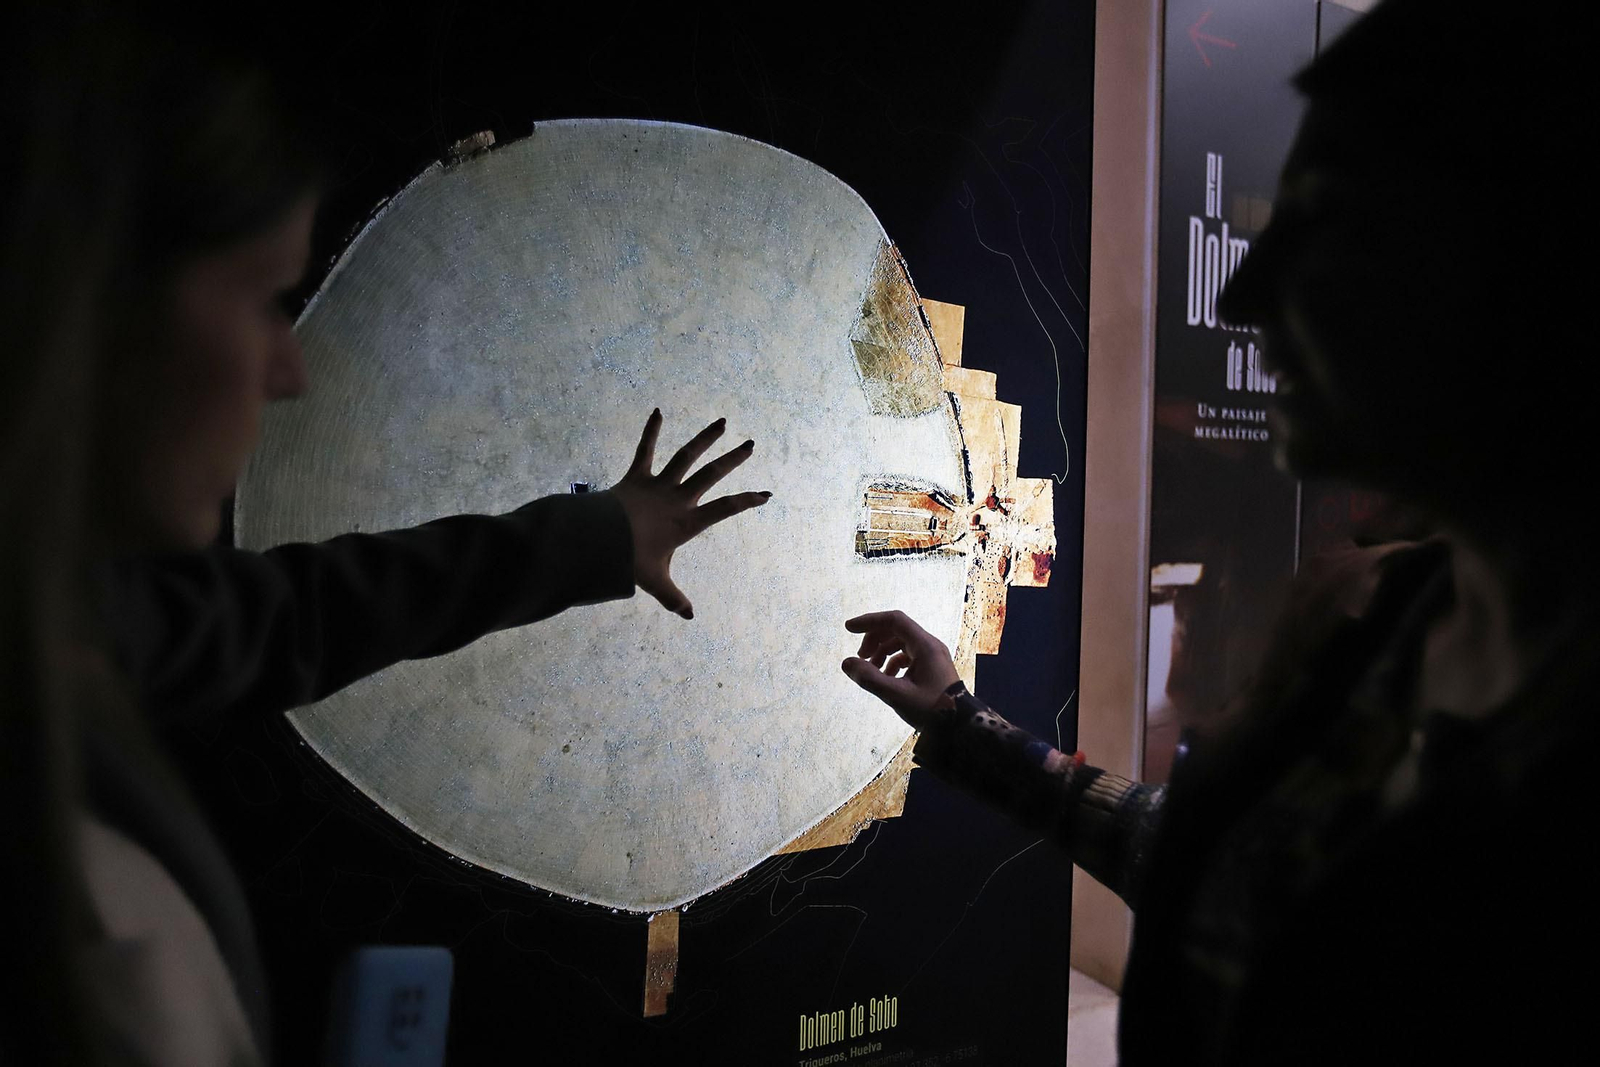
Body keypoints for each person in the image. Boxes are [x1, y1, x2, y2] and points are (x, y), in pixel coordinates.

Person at [1, 6, 768, 1064]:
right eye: (263, 298)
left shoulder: (66, 624)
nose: (289, 370)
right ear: (89, 305)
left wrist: (601, 536)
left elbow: (298, 611)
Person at [842, 1, 1596, 1062]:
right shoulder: (1381, 626)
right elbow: (1239, 871)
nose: (1245, 291)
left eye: (1330, 218)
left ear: (1527, 260)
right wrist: (960, 722)